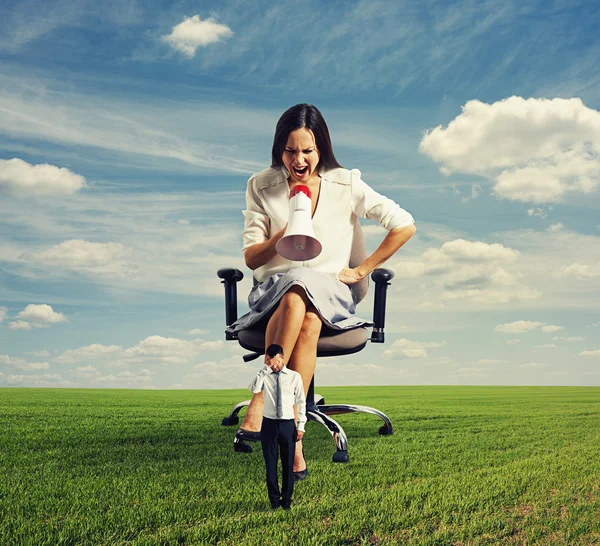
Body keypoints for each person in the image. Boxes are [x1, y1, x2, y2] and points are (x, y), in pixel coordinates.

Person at [228, 103, 416, 479]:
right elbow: (251, 258)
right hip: (273, 292)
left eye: (307, 150)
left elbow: (404, 224)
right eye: (290, 150)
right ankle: (295, 441)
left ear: (321, 149)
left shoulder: (345, 184)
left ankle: (263, 395)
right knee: (300, 299)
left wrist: (363, 269)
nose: (298, 160)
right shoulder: (260, 186)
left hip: (332, 292)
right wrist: (284, 235)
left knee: (307, 289)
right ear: (279, 149)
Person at [249, 343, 306, 510]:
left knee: (288, 465)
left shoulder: (294, 377)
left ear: (282, 358)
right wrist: (264, 370)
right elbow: (253, 389)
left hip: (288, 425)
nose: (273, 365)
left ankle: (286, 501)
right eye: (269, 361)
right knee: (270, 465)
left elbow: (301, 402)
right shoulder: (265, 375)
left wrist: (301, 425)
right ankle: (274, 502)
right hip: (269, 425)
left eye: (275, 361)